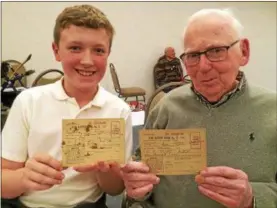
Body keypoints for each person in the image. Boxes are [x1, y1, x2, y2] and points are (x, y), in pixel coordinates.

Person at [121, 8, 277, 208]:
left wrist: (253, 198)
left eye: (216, 51)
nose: (203, 66)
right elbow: (141, 182)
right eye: (193, 55)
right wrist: (137, 189)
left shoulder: (273, 111)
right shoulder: (166, 107)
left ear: (244, 52)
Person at [1, 4, 133, 208]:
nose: (87, 61)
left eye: (98, 50)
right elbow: (4, 182)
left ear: (108, 53)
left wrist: (105, 170)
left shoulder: (118, 110)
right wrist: (24, 177)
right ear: (56, 51)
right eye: (75, 48)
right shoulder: (29, 102)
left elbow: (115, 189)